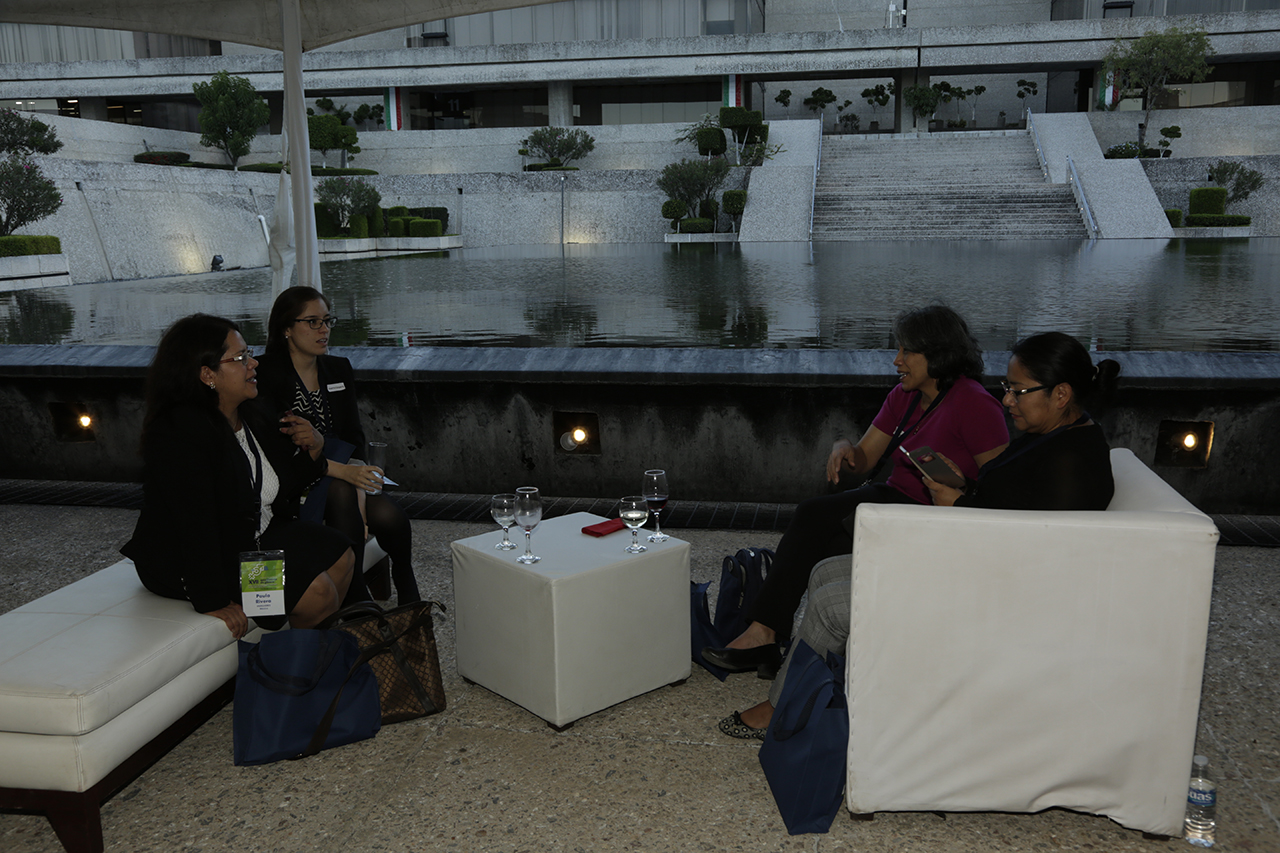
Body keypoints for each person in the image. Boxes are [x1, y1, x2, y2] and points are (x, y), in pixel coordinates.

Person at [718, 331, 1120, 739]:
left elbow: (1034, 554)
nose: (1007, 401)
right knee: (825, 571)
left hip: (987, 595)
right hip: (974, 566)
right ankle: (820, 690)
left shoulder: (1072, 462)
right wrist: (964, 488)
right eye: (1007, 388)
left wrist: (958, 506)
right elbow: (1016, 512)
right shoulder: (1052, 437)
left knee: (831, 602)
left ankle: (783, 709)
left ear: (1061, 394)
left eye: (1018, 391)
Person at [702, 305, 1009, 678]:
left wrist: (960, 486)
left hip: (934, 515)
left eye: (907, 351)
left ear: (937, 353)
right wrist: (843, 447)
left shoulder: (975, 404)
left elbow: (1001, 485)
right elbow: (864, 459)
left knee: (816, 518)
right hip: (895, 499)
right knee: (824, 534)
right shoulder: (905, 396)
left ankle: (771, 640)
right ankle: (788, 647)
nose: (897, 360)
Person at [122, 314, 355, 636]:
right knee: (317, 591)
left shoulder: (251, 414)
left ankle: (314, 652)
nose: (253, 364)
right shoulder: (180, 433)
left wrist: (314, 449)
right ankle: (299, 662)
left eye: (250, 354)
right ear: (207, 374)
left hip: (251, 539)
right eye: (241, 358)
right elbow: (194, 525)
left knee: (341, 553)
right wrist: (211, 599)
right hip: (193, 561)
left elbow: (280, 487)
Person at [253, 286, 420, 604]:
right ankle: (355, 596)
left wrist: (359, 482)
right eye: (312, 322)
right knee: (342, 491)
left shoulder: (338, 368)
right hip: (298, 477)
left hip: (343, 467)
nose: (324, 329)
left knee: (388, 515)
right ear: (286, 328)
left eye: (327, 321)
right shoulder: (264, 374)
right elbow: (278, 449)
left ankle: (405, 578)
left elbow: (353, 437)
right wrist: (347, 477)